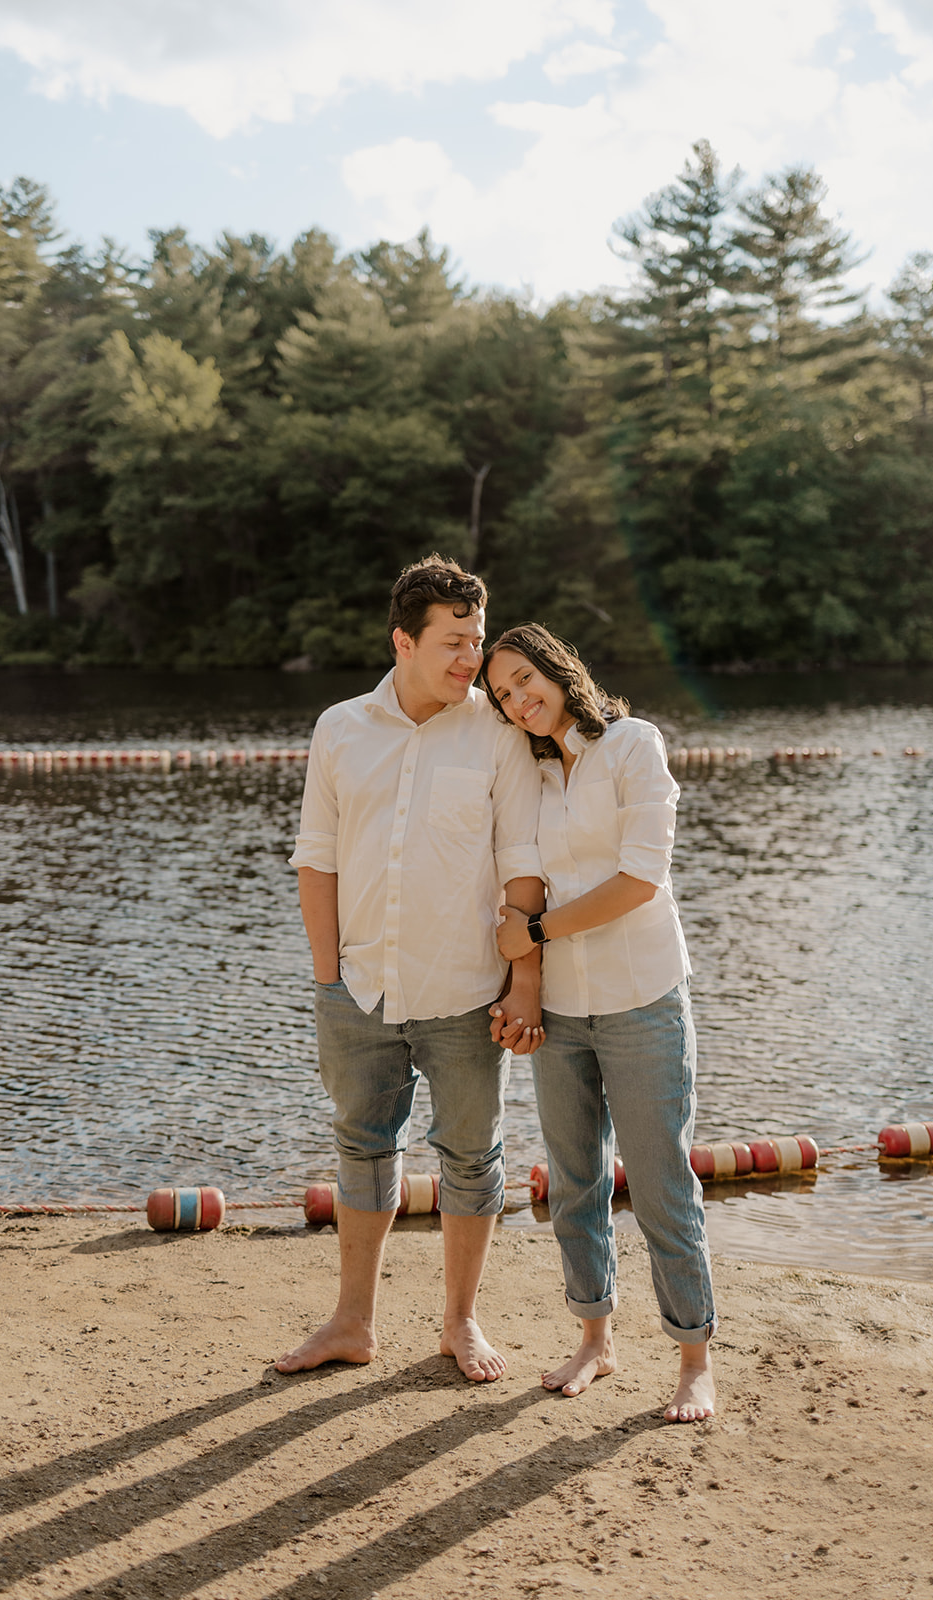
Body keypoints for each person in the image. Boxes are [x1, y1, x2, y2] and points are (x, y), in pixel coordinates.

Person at [275, 556, 544, 1383]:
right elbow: (314, 860)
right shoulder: (339, 727)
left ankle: (459, 1323)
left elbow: (521, 867)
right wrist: (328, 977)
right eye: (454, 642)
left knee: (472, 1158)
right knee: (361, 1147)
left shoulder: (496, 733)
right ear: (403, 639)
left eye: (476, 640)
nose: (472, 660)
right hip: (357, 987)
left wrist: (520, 981)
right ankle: (352, 1323)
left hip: (464, 991)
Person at [483, 623, 716, 1421]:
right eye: (502, 694)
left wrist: (538, 934)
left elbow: (638, 881)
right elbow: (523, 888)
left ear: (557, 667)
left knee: (659, 1183)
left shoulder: (632, 745)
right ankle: (594, 1340)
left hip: (643, 999)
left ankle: (692, 1358)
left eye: (523, 680)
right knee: (573, 1182)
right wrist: (525, 978)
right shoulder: (533, 774)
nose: (517, 701)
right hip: (563, 1013)